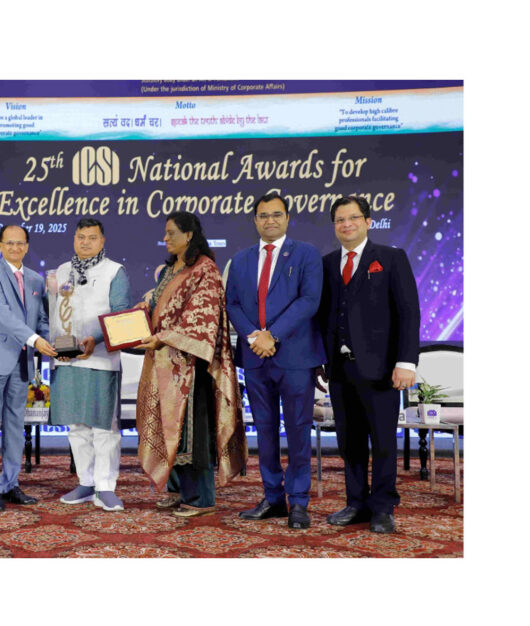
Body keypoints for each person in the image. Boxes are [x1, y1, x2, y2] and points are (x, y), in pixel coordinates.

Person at [317, 195, 420, 533]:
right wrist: (319, 360)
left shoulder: (391, 258)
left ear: (368, 222)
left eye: (353, 218)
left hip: (382, 369)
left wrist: (406, 362)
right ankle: (356, 503)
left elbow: (408, 312)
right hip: (340, 369)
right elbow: (322, 317)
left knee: (383, 442)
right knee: (350, 442)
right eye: (340, 220)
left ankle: (383, 507)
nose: (346, 224)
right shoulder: (327, 264)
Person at [135, 212, 247, 517]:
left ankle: (200, 499)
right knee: (167, 429)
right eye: (165, 233)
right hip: (163, 364)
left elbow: (202, 319)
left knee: (192, 434)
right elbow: (161, 310)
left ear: (189, 235)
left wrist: (164, 336)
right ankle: (175, 490)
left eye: (172, 233)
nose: (166, 238)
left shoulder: (205, 269)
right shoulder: (170, 270)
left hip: (192, 366)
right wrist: (143, 313)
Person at [226, 192, 326, 529]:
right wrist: (254, 337)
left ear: (287, 218)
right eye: (263, 215)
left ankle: (298, 501)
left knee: (298, 430)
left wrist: (273, 335)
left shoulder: (306, 254)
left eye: (277, 214)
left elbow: (309, 300)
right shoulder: (240, 259)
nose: (270, 220)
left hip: (295, 357)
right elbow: (232, 304)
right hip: (256, 358)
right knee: (265, 430)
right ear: (255, 220)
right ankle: (272, 498)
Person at [0, 225, 57, 512]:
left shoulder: (36, 279)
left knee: (15, 426)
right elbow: (2, 313)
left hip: (22, 362)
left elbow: (41, 318)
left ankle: (10, 483)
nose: (15, 248)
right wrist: (35, 340)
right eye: (9, 243)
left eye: (20, 243)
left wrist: (56, 341)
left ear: (27, 246)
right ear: (0, 245)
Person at [49, 220, 131, 512]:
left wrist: (94, 339)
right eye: (81, 237)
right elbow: (53, 312)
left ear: (102, 241)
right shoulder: (61, 271)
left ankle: (105, 486)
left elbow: (120, 314)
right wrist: (53, 344)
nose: (85, 242)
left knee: (103, 426)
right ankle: (86, 482)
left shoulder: (114, 271)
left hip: (101, 359)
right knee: (76, 425)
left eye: (92, 237)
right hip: (66, 359)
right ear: (74, 239)